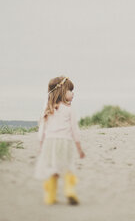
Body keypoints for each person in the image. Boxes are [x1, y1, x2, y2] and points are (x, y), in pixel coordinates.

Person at [34, 76, 85, 205]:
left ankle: (50, 197)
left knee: (53, 169)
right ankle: (69, 191)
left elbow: (42, 130)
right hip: (65, 142)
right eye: (70, 90)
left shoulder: (49, 109)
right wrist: (79, 148)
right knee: (68, 168)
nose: (73, 94)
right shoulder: (69, 110)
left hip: (49, 144)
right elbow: (75, 131)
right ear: (62, 91)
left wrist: (41, 145)